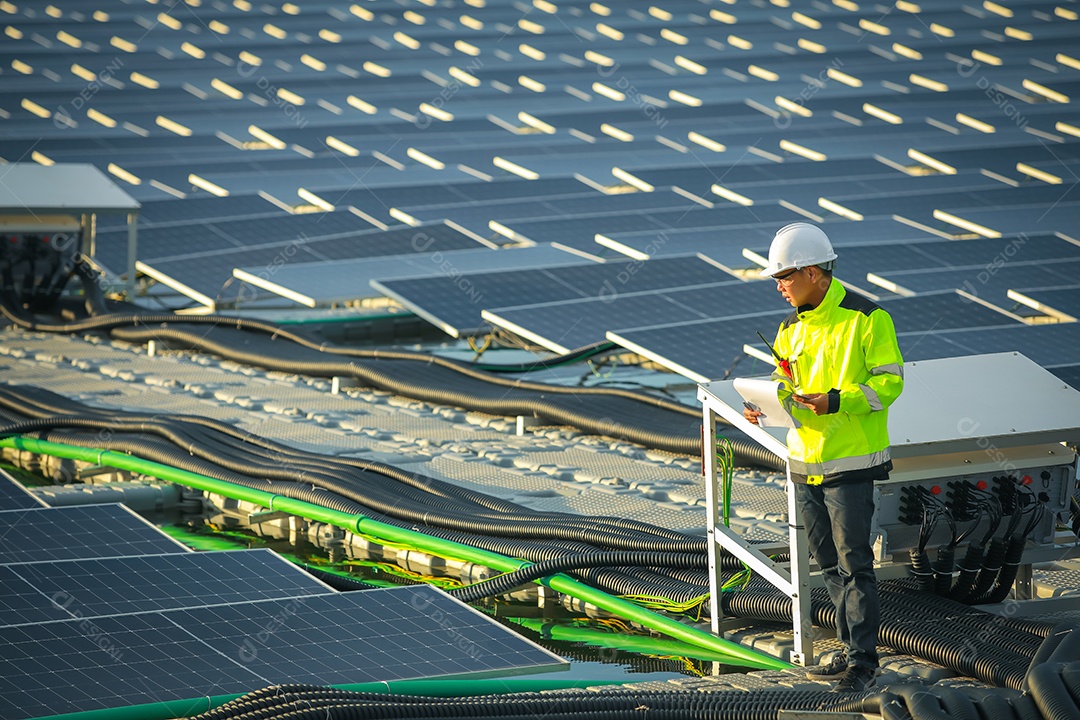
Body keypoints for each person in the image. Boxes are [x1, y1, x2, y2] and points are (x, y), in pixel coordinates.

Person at [743, 223, 904, 693]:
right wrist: (767, 406)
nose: (779, 288)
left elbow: (889, 384)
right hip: (806, 464)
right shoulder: (790, 328)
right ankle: (850, 647)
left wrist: (836, 400)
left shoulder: (868, 318)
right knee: (827, 563)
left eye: (784, 278)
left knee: (855, 564)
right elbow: (786, 381)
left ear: (812, 272)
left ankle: (864, 664)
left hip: (851, 461)